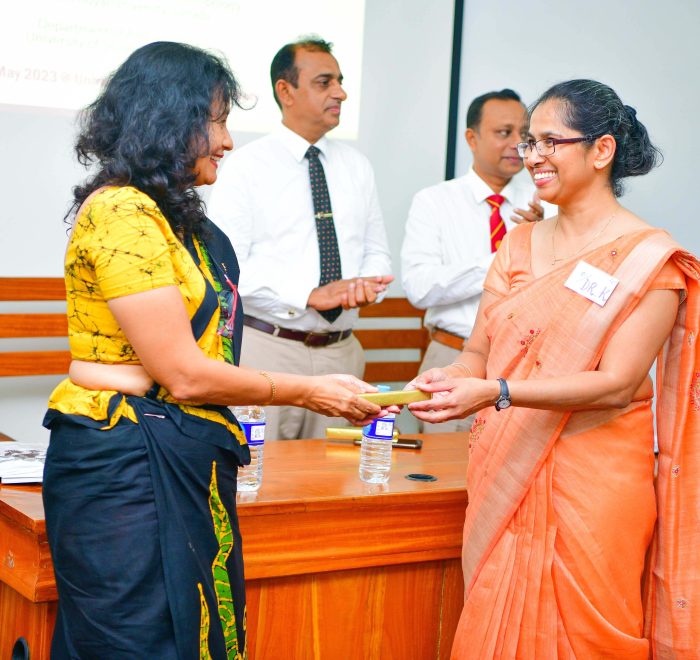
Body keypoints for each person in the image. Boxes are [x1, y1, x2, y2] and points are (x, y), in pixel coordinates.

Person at [41, 41, 383, 658]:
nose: (226, 141)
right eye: (217, 121)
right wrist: (310, 390)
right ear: (169, 121)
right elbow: (185, 375)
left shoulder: (175, 218)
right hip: (125, 464)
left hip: (172, 449)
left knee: (188, 630)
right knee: (136, 639)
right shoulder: (121, 212)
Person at [405, 80, 700, 657]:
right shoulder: (517, 245)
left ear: (601, 150)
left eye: (549, 142)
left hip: (596, 485)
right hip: (506, 464)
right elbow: (477, 352)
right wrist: (451, 378)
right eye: (528, 142)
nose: (532, 155)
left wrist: (496, 391)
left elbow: (617, 384)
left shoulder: (649, 259)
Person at [207, 36, 393, 441]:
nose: (340, 93)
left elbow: (377, 251)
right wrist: (307, 295)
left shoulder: (357, 166)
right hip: (267, 350)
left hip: (342, 352)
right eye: (325, 82)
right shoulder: (246, 166)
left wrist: (367, 284)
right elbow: (225, 268)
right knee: (257, 471)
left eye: (340, 81)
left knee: (333, 474)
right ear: (285, 91)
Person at [401, 89, 553, 433]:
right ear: (472, 138)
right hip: (452, 358)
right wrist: (510, 255)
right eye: (504, 133)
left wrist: (544, 241)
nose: (517, 144)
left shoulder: (546, 203)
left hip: (523, 367)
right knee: (443, 464)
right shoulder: (434, 201)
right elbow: (420, 289)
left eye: (524, 134)